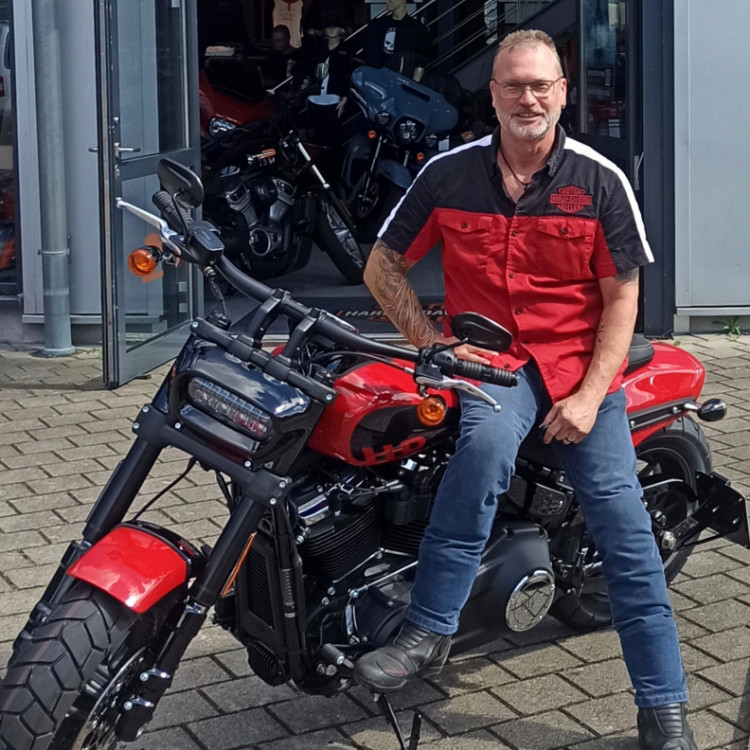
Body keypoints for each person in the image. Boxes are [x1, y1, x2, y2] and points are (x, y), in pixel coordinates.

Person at [353, 29, 697, 750]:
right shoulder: (448, 174)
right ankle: (427, 631)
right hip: (493, 367)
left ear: (563, 93)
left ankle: (664, 708)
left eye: (541, 85)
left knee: (624, 528)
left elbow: (623, 299)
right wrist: (433, 343)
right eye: (514, 85)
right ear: (494, 94)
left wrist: (588, 397)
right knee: (479, 457)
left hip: (581, 369)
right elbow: (382, 265)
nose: (528, 98)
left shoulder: (601, 181)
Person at [364, 0, 430, 79]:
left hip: (401, 77)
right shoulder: (377, 25)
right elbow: (369, 51)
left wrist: (414, 82)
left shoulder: (417, 28)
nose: (387, 1)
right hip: (378, 76)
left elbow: (421, 59)